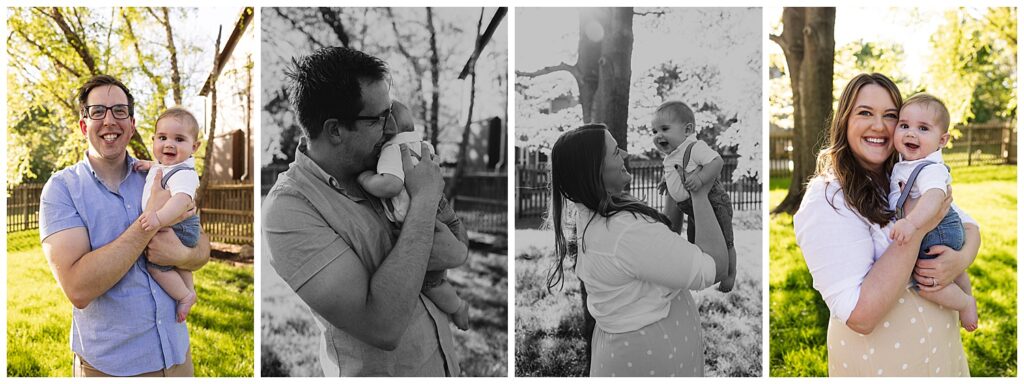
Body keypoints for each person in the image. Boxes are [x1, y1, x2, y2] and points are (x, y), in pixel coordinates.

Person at [263, 46, 466, 376]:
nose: (391, 128)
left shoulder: (387, 163)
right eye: (378, 118)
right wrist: (425, 202)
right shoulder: (289, 211)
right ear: (335, 130)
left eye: (390, 113)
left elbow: (457, 240)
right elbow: (381, 325)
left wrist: (440, 218)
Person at [793, 73, 980, 377]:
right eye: (865, 113)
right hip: (882, 365)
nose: (879, 126)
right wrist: (919, 227)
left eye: (890, 116)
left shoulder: (904, 172)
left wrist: (960, 259)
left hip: (942, 356)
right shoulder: (827, 198)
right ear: (844, 121)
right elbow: (860, 315)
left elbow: (969, 226)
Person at [39, 74, 211, 377]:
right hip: (112, 367)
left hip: (177, 356)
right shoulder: (62, 189)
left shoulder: (161, 175)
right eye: (97, 112)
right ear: (83, 125)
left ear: (131, 125)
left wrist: (181, 257)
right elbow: (78, 289)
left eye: (119, 111)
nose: (109, 120)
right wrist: (149, 224)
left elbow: (202, 248)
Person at [547, 124, 729, 377]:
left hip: (626, 350)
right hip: (653, 360)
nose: (624, 154)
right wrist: (700, 192)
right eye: (614, 152)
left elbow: (660, 249)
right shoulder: (624, 231)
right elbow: (716, 267)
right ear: (594, 170)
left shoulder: (592, 215)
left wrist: (678, 186)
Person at [357, 101, 471, 330]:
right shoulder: (423, 144)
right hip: (443, 211)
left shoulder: (392, 150)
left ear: (385, 131)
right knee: (443, 263)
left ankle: (458, 306)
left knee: (429, 281)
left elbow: (391, 184)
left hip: (424, 219)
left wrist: (365, 179)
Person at [888, 93, 978, 331]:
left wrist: (912, 223)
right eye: (904, 125)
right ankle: (966, 293)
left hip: (934, 231)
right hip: (942, 230)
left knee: (925, 282)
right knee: (952, 270)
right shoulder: (907, 162)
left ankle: (964, 302)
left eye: (923, 128)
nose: (911, 133)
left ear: (942, 140)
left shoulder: (929, 168)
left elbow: (934, 198)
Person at [651, 100, 737, 292]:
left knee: (725, 241)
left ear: (687, 129)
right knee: (696, 242)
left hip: (714, 203)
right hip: (691, 208)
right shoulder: (672, 155)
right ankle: (702, 272)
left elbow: (717, 162)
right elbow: (677, 173)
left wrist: (700, 179)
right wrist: (668, 183)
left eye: (664, 129)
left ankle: (730, 275)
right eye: (654, 131)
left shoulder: (695, 147)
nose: (658, 135)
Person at [133, 107, 204, 323]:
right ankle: (189, 291)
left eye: (179, 139)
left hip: (177, 226)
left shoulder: (184, 173)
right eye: (162, 138)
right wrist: (150, 165)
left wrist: (158, 219)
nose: (169, 144)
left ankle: (183, 295)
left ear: (195, 146)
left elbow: (181, 201)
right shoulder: (167, 166)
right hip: (179, 226)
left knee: (157, 267)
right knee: (178, 263)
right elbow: (161, 168)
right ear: (153, 140)